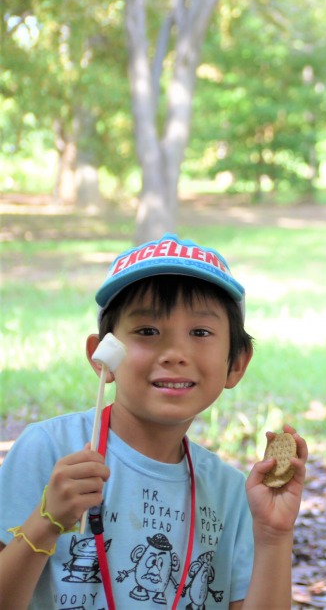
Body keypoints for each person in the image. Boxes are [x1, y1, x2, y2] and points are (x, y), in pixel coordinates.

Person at [0, 233, 309, 610]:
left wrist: (274, 535)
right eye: (147, 331)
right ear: (102, 357)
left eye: (200, 332)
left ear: (237, 363)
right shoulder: (49, 450)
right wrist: (46, 522)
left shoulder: (233, 493)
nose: (175, 353)